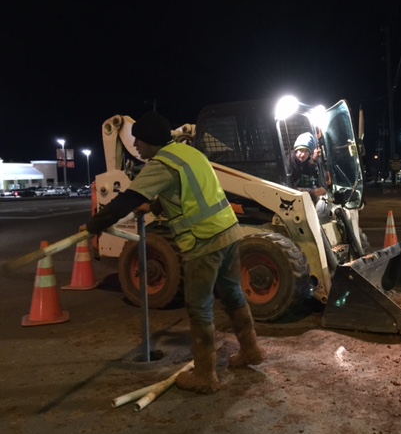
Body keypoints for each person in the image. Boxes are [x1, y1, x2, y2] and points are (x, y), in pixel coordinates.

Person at [82, 111, 265, 394]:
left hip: (204, 241)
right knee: (233, 294)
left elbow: (125, 201)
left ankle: (205, 377)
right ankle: (251, 350)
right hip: (229, 232)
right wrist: (154, 207)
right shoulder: (188, 154)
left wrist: (94, 225)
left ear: (149, 141)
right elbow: (188, 190)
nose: (137, 148)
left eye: (138, 142)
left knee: (199, 308)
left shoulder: (160, 165)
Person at [288, 132, 326, 198]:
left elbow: (307, 169)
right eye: (301, 150)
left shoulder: (300, 161)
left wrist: (314, 160)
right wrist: (313, 192)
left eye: (306, 151)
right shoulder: (289, 163)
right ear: (296, 150)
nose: (303, 154)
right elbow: (288, 189)